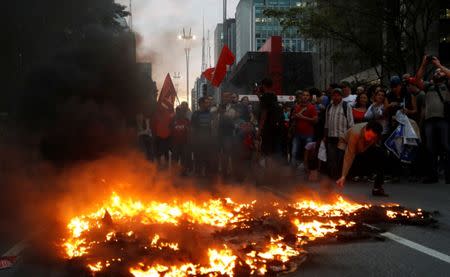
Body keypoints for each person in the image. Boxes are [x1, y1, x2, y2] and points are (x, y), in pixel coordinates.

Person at [416, 55, 450, 184]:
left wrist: (439, 65)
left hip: (443, 119)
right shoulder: (428, 86)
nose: (437, 73)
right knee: (430, 148)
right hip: (429, 120)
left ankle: (449, 175)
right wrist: (424, 64)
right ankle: (432, 175)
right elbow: (417, 80)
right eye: (436, 72)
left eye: (440, 72)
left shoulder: (447, 85)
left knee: (446, 147)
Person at [336, 121, 387, 196]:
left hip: (363, 148)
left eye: (372, 137)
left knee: (382, 154)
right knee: (343, 166)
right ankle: (339, 185)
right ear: (366, 129)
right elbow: (349, 154)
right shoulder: (355, 133)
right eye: (369, 135)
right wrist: (344, 175)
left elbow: (374, 145)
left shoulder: (375, 135)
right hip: (346, 144)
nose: (370, 139)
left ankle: (377, 188)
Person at [324, 88, 355, 179]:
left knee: (340, 159)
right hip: (331, 137)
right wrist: (325, 136)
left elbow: (351, 123)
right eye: (334, 95)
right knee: (331, 158)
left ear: (341, 96)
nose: (336, 97)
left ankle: (341, 177)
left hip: (342, 138)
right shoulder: (329, 106)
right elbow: (326, 123)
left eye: (338, 95)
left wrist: (350, 137)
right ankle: (333, 177)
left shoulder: (346, 106)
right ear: (331, 96)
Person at [290, 90, 318, 171]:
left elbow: (315, 120)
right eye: (304, 95)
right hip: (297, 134)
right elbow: (293, 117)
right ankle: (292, 170)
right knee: (294, 152)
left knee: (308, 154)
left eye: (307, 95)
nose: (305, 97)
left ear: (309, 97)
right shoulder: (297, 107)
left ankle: (307, 169)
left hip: (308, 134)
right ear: (301, 97)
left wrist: (303, 117)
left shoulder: (312, 107)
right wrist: (296, 116)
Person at [191, 97, 214, 177]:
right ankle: (198, 176)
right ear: (201, 104)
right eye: (207, 102)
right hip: (198, 142)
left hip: (208, 142)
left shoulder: (211, 114)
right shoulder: (195, 114)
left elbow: (213, 128)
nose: (209, 104)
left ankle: (208, 176)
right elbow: (192, 129)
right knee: (198, 160)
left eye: (208, 102)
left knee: (208, 160)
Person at [170, 107, 190, 175]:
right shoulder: (173, 120)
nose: (179, 113)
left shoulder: (186, 120)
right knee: (175, 158)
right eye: (177, 111)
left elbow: (189, 131)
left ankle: (183, 172)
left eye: (180, 111)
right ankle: (174, 172)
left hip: (184, 143)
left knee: (184, 159)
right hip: (175, 143)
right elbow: (169, 130)